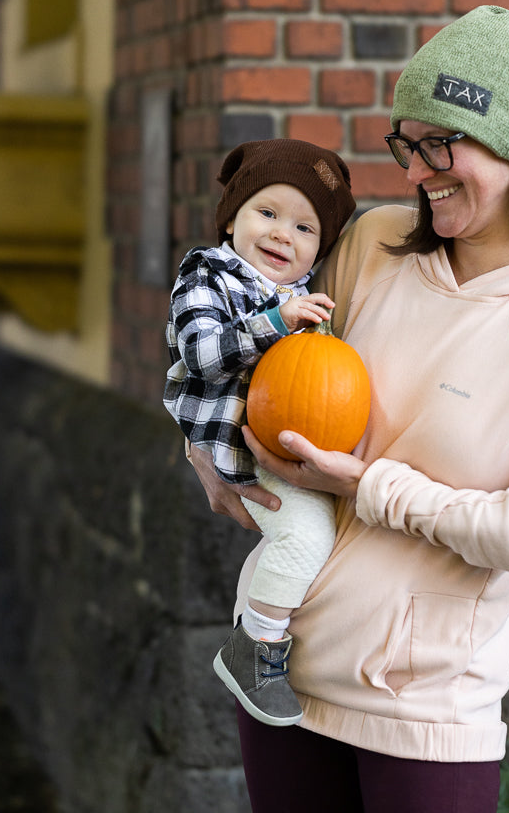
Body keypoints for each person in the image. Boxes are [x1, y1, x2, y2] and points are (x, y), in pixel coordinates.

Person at [187, 6, 509, 813]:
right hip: (280, 675)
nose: (417, 170)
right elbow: (267, 365)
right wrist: (199, 445)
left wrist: (369, 485)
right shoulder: (373, 244)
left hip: (425, 710)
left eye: (441, 144)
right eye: (407, 144)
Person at [164, 138, 356, 727]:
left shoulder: (302, 297)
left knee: (311, 536)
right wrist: (273, 323)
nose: (282, 235)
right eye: (266, 213)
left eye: (304, 229)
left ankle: (267, 627)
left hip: (282, 448)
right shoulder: (208, 274)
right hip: (233, 443)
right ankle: (256, 646)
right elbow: (199, 353)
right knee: (304, 536)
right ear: (233, 217)